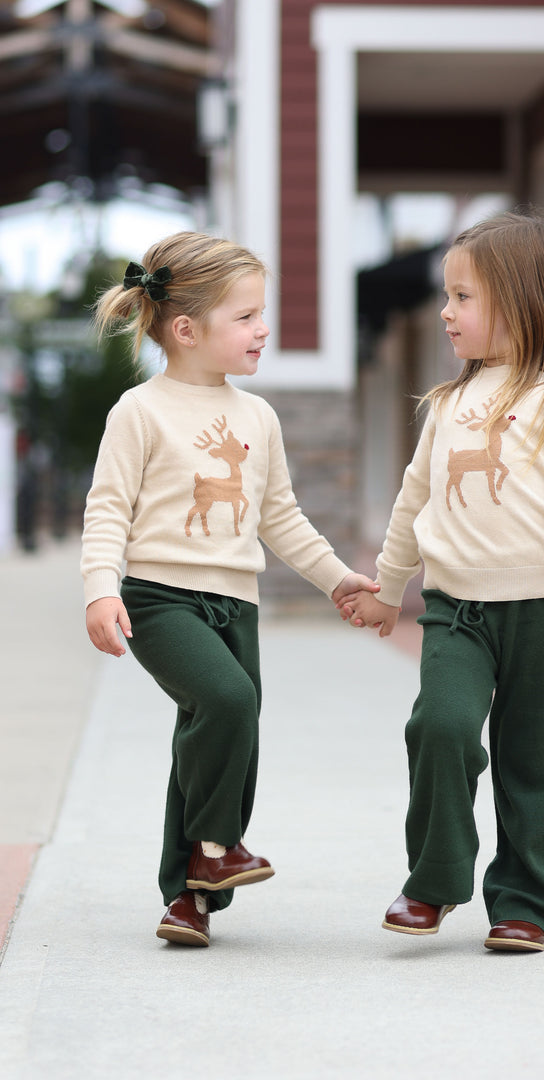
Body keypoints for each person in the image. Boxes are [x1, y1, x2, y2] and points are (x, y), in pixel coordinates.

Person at [341, 210, 544, 953]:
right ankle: (433, 883)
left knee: (538, 756)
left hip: (537, 610)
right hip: (455, 610)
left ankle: (526, 903)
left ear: (525, 301)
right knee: (439, 727)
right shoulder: (446, 405)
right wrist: (385, 587)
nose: (446, 312)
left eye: (463, 298)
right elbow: (413, 498)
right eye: (448, 296)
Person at [81, 232, 377, 948]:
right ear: (186, 330)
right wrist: (100, 588)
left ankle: (188, 898)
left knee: (217, 732)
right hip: (158, 598)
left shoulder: (259, 418)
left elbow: (281, 518)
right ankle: (217, 846)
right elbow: (107, 507)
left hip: (234, 602)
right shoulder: (140, 412)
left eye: (262, 314)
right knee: (227, 700)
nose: (263, 329)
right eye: (246, 317)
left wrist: (338, 578)